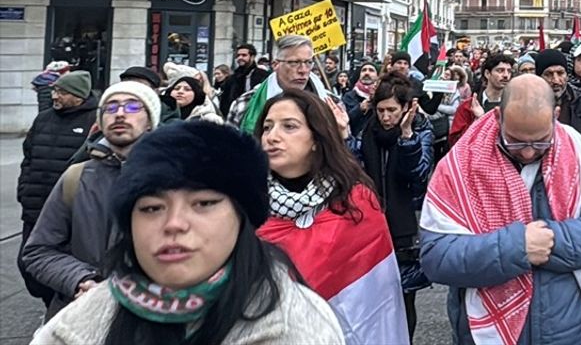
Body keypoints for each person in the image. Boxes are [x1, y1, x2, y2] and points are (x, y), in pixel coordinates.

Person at [31, 120, 344, 345]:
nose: (174, 223)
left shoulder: (297, 327)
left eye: (203, 203)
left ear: (241, 216)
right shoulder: (72, 328)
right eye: (152, 208)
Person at [420, 75, 581, 344]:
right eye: (516, 141)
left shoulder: (580, 155)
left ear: (556, 116)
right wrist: (518, 247)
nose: (528, 153)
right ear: (498, 116)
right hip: (482, 335)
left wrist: (545, 240)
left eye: (540, 142)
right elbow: (437, 256)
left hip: (564, 330)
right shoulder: (460, 164)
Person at [255, 89, 409, 344]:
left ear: (316, 137)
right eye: (267, 127)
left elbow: (376, 300)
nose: (272, 137)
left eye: (289, 126)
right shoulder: (243, 205)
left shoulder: (356, 201)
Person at [21, 82, 162, 318]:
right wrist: (81, 279)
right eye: (110, 107)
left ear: (150, 121)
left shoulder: (176, 180)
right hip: (81, 316)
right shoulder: (76, 177)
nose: (119, 113)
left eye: (132, 106)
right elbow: (38, 250)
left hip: (151, 318)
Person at [346, 75, 431, 341]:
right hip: (369, 227)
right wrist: (344, 135)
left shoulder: (421, 131)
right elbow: (350, 170)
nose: (386, 117)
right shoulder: (364, 131)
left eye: (392, 110)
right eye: (381, 110)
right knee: (370, 301)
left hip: (405, 229)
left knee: (405, 301)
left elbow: (418, 177)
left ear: (406, 108)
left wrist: (406, 138)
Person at [17, 70, 99, 307]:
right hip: (35, 205)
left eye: (61, 91)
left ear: (78, 95)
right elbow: (28, 157)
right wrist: (24, 189)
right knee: (28, 265)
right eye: (54, 90)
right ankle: (49, 301)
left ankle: (59, 309)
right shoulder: (43, 118)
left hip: (70, 209)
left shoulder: (93, 120)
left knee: (63, 266)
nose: (56, 95)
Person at [227, 34, 337, 131]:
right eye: (294, 62)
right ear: (275, 65)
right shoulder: (244, 104)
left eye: (308, 62)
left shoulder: (332, 103)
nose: (303, 70)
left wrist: (342, 134)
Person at [447, 52, 515, 146]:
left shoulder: (515, 105)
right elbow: (456, 142)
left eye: (509, 71)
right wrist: (478, 122)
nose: (506, 75)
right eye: (500, 70)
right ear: (487, 73)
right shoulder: (468, 106)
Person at [536, 48, 581, 132]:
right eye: (549, 74)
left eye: (560, 73)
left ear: (567, 75)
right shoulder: (528, 106)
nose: (556, 80)